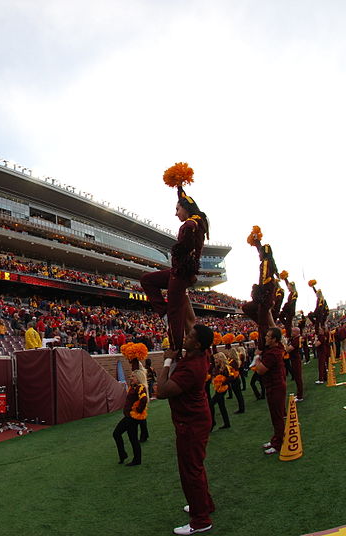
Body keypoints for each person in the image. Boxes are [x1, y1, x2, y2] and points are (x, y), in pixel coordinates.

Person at [141, 164, 209, 359]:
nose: (175, 213)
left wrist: (178, 254)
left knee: (175, 314)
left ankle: (176, 350)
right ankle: (165, 315)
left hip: (180, 274)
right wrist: (179, 186)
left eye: (177, 209)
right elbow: (185, 201)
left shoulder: (190, 224)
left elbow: (185, 248)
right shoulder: (197, 220)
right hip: (181, 273)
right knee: (147, 280)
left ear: (185, 209)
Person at [157, 324, 215, 535]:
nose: (186, 336)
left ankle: (201, 520)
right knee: (196, 468)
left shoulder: (192, 367)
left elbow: (162, 391)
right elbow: (190, 318)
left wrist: (166, 361)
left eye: (190, 336)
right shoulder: (199, 354)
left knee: (190, 471)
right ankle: (204, 504)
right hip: (195, 420)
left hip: (191, 424)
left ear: (198, 344)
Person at [251, 327, 287, 456]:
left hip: (275, 386)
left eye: (268, 336)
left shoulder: (273, 353)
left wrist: (257, 357)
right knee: (275, 415)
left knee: (277, 416)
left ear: (274, 339)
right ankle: (276, 439)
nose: (265, 338)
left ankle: (278, 444)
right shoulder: (276, 349)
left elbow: (261, 370)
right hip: (274, 385)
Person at [112, 368, 148, 467]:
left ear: (138, 378)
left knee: (117, 434)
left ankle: (126, 456)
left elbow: (144, 399)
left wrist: (138, 410)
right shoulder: (133, 387)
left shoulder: (140, 387)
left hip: (131, 418)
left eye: (133, 376)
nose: (130, 377)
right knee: (132, 438)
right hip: (130, 416)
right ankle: (131, 458)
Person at [284, 327, 304, 401]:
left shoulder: (296, 339)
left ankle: (300, 396)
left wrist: (285, 344)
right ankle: (299, 394)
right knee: (296, 377)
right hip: (293, 359)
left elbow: (289, 349)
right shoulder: (293, 339)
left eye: (293, 331)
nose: (291, 332)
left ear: (296, 332)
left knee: (298, 377)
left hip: (296, 359)